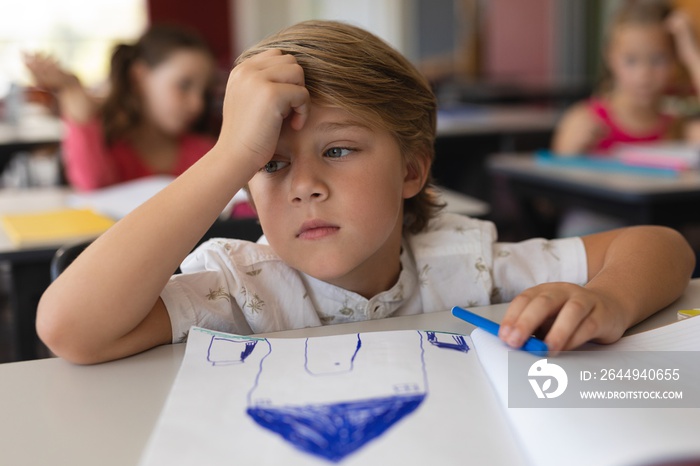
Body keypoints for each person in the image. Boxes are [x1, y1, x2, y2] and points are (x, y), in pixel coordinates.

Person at [36, 20, 695, 365]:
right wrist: (231, 154)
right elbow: (70, 329)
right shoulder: (237, 292)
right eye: (271, 164)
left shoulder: (461, 264)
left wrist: (606, 299)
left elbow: (662, 245)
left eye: (339, 151)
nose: (307, 187)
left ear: (411, 170)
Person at [24, 24, 219, 192]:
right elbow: (93, 183)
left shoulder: (206, 152)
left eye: (204, 92)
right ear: (139, 77)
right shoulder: (114, 149)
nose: (197, 104)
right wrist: (73, 92)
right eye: (184, 86)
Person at [552, 1, 700, 155]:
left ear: (675, 61)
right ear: (610, 57)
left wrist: (692, 56)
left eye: (658, 60)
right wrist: (570, 153)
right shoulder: (583, 121)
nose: (644, 74)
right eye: (631, 60)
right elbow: (552, 176)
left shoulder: (681, 129)